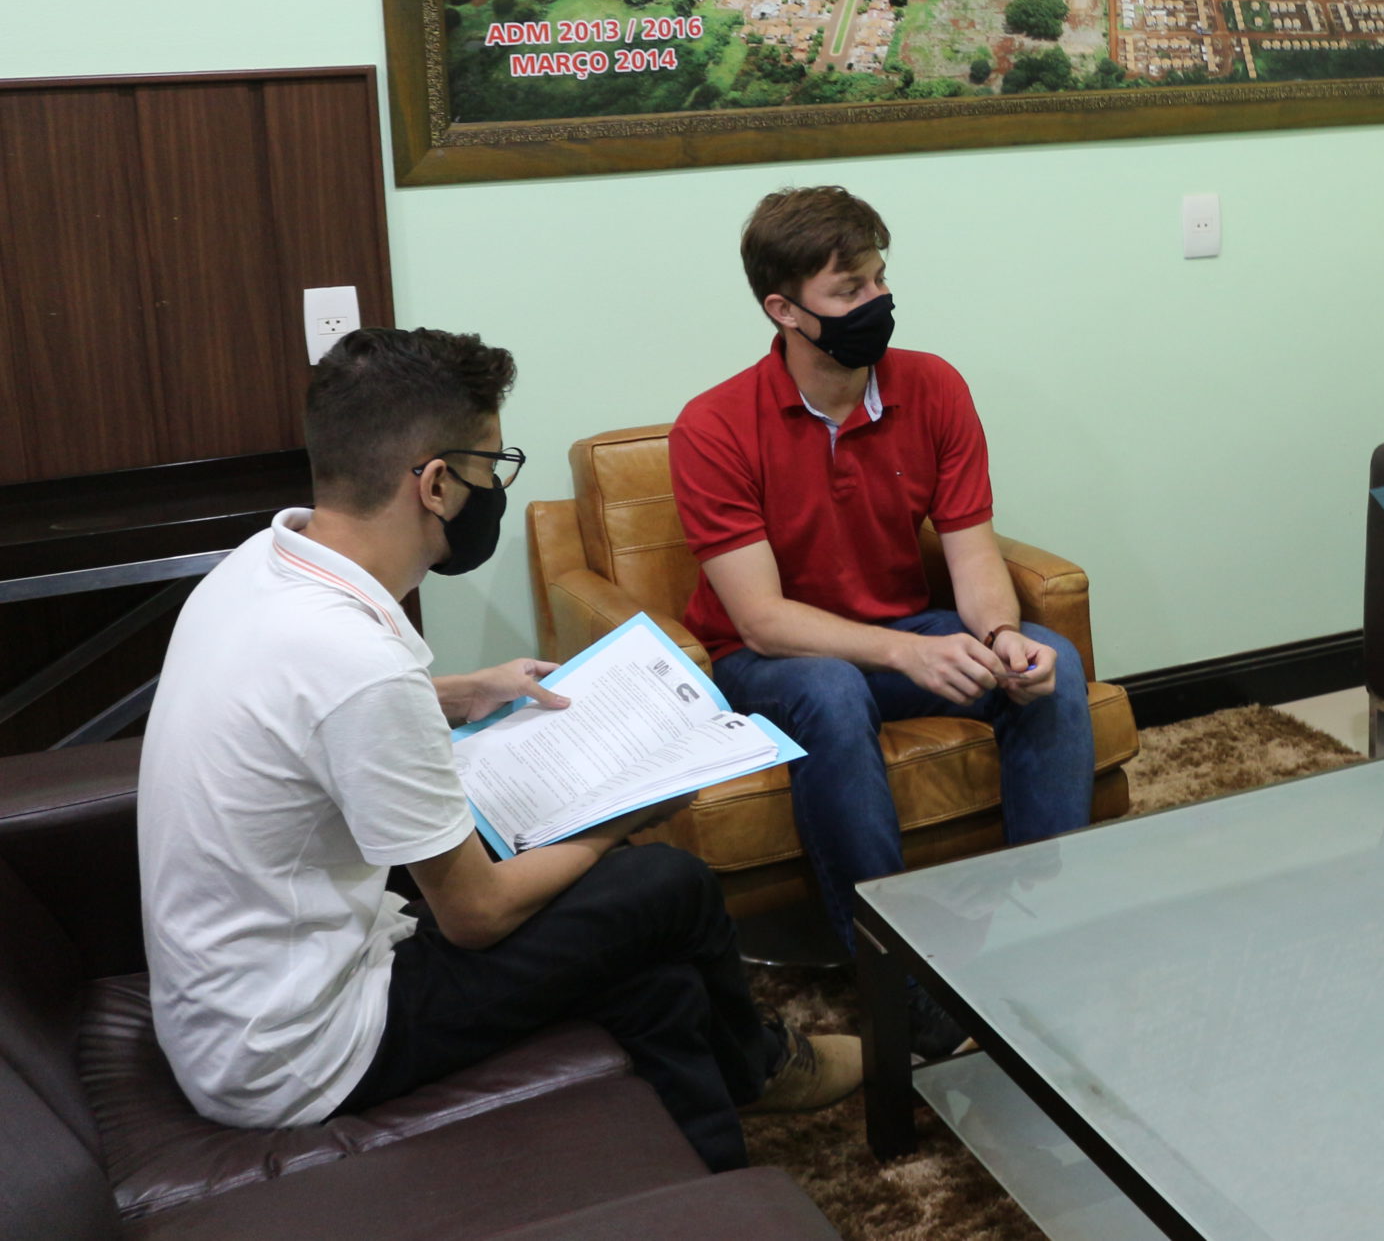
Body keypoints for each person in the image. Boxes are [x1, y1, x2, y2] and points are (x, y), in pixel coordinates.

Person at [138, 328, 859, 1174]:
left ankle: (709, 1171)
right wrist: (624, 814)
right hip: (298, 1050)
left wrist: (462, 691)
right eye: (492, 468)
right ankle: (761, 1067)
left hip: (233, 1010)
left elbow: (311, 714)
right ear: (437, 484)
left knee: (654, 982)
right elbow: (474, 916)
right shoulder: (356, 661)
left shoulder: (261, 566)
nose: (495, 489)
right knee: (668, 883)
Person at [669, 187, 1095, 994]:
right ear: (783, 310)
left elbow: (974, 559)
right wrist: (908, 652)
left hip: (901, 630)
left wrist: (1002, 636)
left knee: (1052, 662)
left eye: (879, 278)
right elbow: (760, 621)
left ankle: (1043, 933)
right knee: (831, 690)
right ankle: (895, 976)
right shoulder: (713, 427)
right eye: (849, 290)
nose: (877, 301)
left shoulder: (934, 387)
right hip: (769, 662)